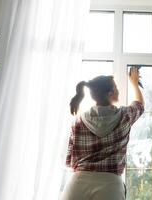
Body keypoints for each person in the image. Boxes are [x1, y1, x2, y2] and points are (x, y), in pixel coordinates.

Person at [61, 67, 144, 200]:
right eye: (116, 87)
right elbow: (139, 105)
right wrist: (134, 83)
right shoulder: (125, 116)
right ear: (110, 93)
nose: (118, 90)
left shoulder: (78, 121)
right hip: (110, 185)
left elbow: (70, 159)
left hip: (78, 184)